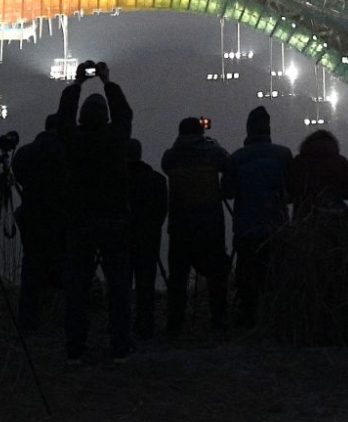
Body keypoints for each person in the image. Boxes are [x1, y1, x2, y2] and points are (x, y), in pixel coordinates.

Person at [55, 60, 134, 362]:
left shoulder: (72, 141)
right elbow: (125, 114)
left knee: (77, 287)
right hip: (114, 219)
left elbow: (63, 119)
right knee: (119, 286)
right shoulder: (116, 140)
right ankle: (121, 344)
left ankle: (75, 346)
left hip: (80, 220)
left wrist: (77, 85)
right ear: (105, 117)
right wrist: (107, 82)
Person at [161, 114, 230, 335]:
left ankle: (174, 325)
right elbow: (227, 162)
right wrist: (211, 143)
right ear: (200, 134)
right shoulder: (212, 153)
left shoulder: (171, 157)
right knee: (215, 278)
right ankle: (218, 322)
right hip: (209, 225)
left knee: (178, 279)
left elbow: (167, 163)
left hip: (180, 226)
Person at [224, 104, 292, 327]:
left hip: (246, 228)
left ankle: (249, 318)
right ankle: (277, 318)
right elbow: (291, 192)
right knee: (275, 275)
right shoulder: (283, 155)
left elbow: (227, 192)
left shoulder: (236, 158)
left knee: (247, 276)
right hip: (277, 227)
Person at [11, 112, 66, 330]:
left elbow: (19, 175)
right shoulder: (66, 151)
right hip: (61, 218)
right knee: (65, 265)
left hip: (33, 218)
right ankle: (63, 319)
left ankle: (28, 320)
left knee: (31, 268)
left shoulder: (25, 153)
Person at [125, 138, 169, 340]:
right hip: (148, 238)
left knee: (120, 283)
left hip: (121, 239)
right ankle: (146, 324)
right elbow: (162, 211)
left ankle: (119, 323)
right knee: (146, 284)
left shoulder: (114, 180)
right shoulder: (157, 180)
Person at [287, 128, 348, 221]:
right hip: (335, 219)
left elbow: (289, 192)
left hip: (304, 219)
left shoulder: (299, 162)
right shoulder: (340, 162)